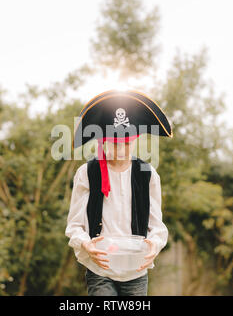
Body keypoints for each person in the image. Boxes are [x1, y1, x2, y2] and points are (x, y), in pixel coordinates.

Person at [65, 89, 172, 296]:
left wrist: (155, 244)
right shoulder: (86, 173)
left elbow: (156, 225)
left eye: (125, 143)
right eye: (114, 143)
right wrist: (86, 243)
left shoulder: (148, 174)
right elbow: (75, 225)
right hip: (100, 268)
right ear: (102, 141)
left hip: (136, 270)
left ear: (135, 140)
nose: (120, 148)